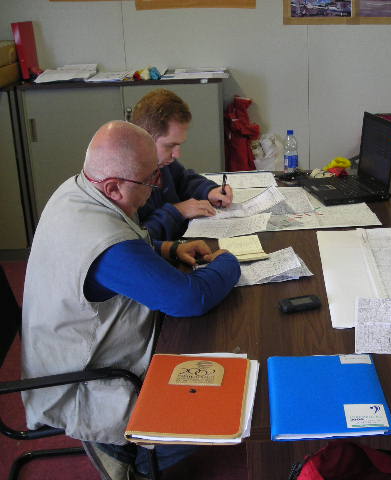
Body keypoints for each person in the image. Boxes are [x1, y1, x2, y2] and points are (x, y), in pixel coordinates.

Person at [21, 121, 241, 480]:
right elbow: (190, 298)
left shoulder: (76, 190)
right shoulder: (105, 242)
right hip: (85, 381)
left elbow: (127, 247)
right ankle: (129, 458)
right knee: (212, 409)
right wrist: (229, 260)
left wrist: (169, 248)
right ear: (112, 186)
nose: (155, 187)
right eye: (149, 180)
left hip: (67, 350)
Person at [131, 88, 233, 240]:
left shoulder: (163, 163)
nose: (177, 154)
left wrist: (209, 191)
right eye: (170, 145)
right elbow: (136, 239)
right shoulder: (126, 182)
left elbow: (183, 180)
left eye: (179, 145)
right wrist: (177, 211)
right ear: (144, 138)